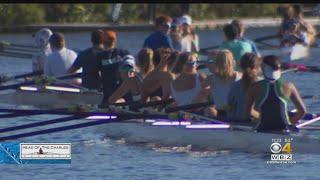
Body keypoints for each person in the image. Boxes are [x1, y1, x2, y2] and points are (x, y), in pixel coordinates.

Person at [246, 55, 306, 133]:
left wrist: (261, 117)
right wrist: (290, 122)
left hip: (263, 130)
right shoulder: (289, 86)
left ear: (263, 68)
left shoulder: (254, 87)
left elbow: (248, 111)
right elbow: (302, 111)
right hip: (284, 130)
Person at [202, 49, 242, 117]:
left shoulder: (240, 78)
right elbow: (200, 97)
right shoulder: (209, 79)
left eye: (212, 61)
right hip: (219, 114)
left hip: (236, 114)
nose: (208, 64)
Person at [97, 30, 130, 103]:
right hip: (125, 95)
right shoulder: (124, 53)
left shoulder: (99, 57)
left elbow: (93, 75)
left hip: (108, 96)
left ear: (102, 41)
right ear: (115, 41)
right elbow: (131, 71)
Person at [227, 53, 262, 122]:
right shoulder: (264, 85)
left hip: (238, 125)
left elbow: (229, 107)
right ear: (258, 68)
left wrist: (220, 108)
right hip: (259, 126)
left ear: (241, 66)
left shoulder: (235, 85)